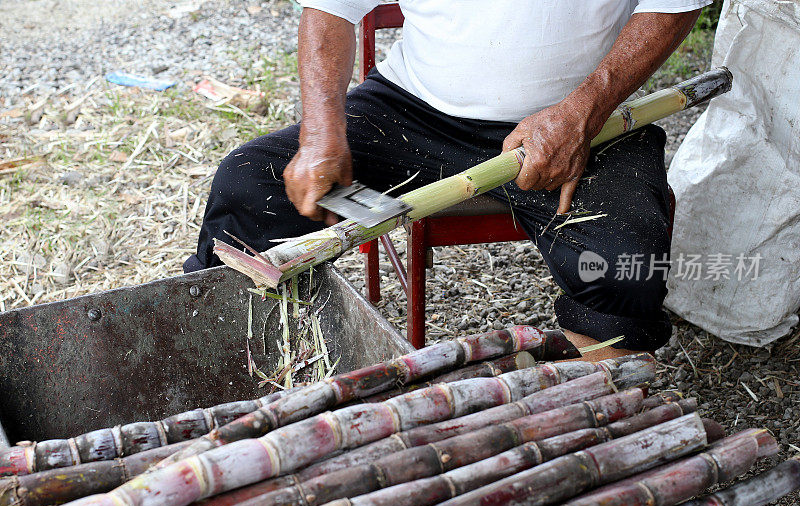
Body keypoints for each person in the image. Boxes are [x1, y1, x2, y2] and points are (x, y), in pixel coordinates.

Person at [185, 0, 711, 360]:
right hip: (413, 106)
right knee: (249, 183)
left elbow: (675, 2)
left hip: (579, 119)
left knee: (624, 264)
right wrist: (323, 130)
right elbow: (331, 9)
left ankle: (597, 403)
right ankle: (229, 355)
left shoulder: (582, 115)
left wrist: (585, 109)